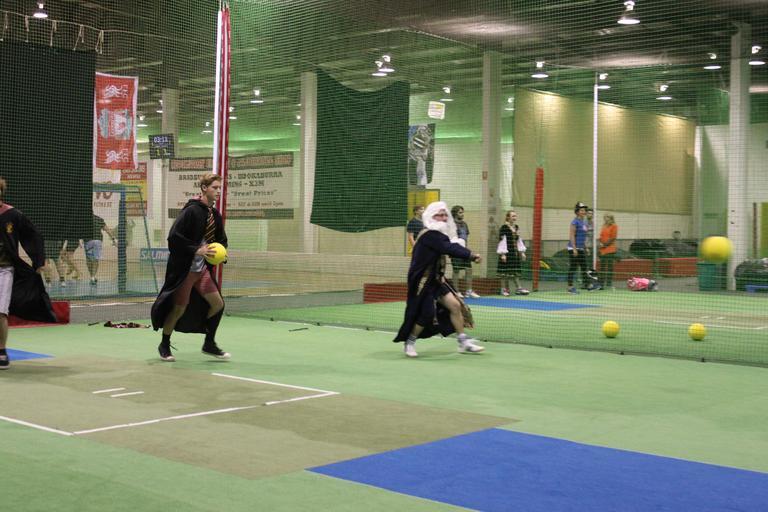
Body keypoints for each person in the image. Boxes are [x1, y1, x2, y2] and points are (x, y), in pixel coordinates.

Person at [150, 173, 229, 362]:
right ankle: (164, 344)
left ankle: (209, 343)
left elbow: (221, 240)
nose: (218, 191)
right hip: (185, 270)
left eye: (220, 188)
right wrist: (196, 249)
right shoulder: (191, 211)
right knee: (178, 309)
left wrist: (222, 253)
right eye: (215, 187)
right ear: (204, 188)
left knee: (218, 304)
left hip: (202, 271)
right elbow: (174, 238)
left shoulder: (215, 215)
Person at [393, 201, 484, 358]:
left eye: (444, 215)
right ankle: (410, 342)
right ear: (430, 217)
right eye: (439, 215)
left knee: (455, 305)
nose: (443, 218)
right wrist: (471, 255)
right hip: (422, 282)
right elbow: (449, 248)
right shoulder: (430, 235)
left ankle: (463, 342)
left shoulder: (439, 235)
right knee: (426, 314)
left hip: (436, 279)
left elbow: (449, 245)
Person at [0, 177, 57, 369]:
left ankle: (1, 351)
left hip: (4, 270)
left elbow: (33, 235)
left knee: (0, 312)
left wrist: (39, 262)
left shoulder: (12, 215)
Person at [497, 210, 529, 296]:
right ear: (508, 217)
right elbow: (502, 241)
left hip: (514, 253)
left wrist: (522, 252)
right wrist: (503, 254)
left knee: (515, 272)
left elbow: (518, 240)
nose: (515, 218)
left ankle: (519, 288)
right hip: (507, 253)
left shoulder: (516, 227)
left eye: (515, 216)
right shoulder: (504, 228)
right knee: (504, 273)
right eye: (513, 216)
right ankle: (503, 289)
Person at [450, 205, 480, 298]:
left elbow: (465, 238)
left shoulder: (464, 224)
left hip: (464, 251)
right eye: (460, 212)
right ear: (455, 213)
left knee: (469, 269)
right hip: (455, 251)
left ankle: (469, 291)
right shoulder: (451, 225)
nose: (462, 214)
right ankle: (456, 291)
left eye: (463, 212)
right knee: (456, 271)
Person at [567, 202, 596, 293]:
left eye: (584, 210)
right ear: (577, 212)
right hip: (573, 248)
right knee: (573, 267)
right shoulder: (574, 222)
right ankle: (570, 287)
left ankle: (587, 285)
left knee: (584, 267)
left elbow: (582, 236)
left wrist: (585, 247)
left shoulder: (584, 222)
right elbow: (572, 236)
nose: (584, 212)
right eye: (581, 210)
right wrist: (574, 248)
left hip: (581, 248)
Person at [85, 214, 117, 285]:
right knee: (95, 259)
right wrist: (113, 239)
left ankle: (92, 276)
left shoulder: (83, 219)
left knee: (89, 260)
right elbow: (107, 230)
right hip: (97, 241)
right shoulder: (99, 219)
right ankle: (93, 277)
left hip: (88, 241)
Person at [598, 214, 618, 290]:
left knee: (610, 266)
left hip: (610, 249)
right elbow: (601, 236)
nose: (606, 219)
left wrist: (605, 245)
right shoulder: (603, 226)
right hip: (603, 250)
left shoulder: (614, 226)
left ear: (611, 218)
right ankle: (601, 283)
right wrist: (600, 243)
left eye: (608, 217)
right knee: (602, 267)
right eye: (605, 218)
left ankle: (609, 283)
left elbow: (613, 238)